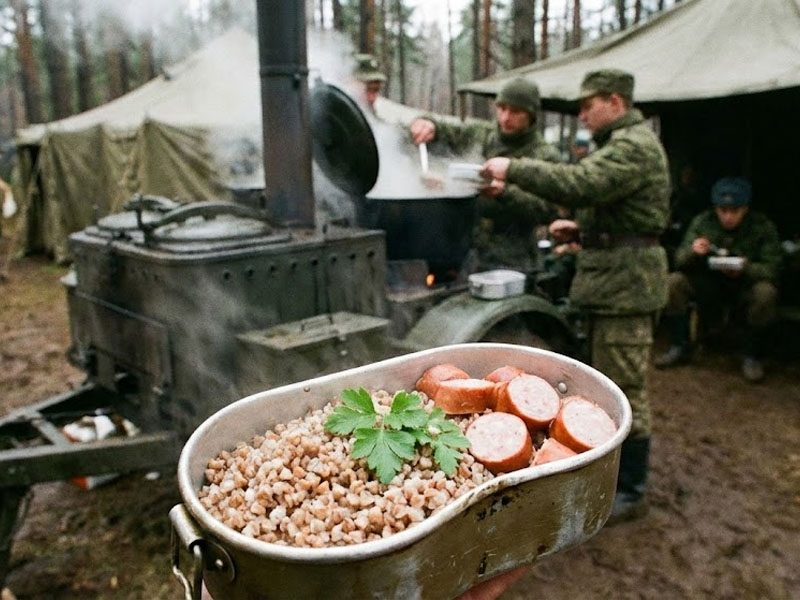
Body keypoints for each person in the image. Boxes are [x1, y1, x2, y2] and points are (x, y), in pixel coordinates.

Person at [481, 69, 671, 521]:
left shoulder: (634, 145)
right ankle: (605, 467)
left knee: (625, 385)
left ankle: (629, 490)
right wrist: (584, 229)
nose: (582, 114)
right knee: (603, 379)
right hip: (611, 281)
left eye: (588, 105)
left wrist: (514, 168)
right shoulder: (621, 145)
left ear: (616, 102)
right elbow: (619, 207)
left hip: (627, 286)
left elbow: (581, 183)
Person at [409, 77, 562, 271]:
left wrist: (504, 193)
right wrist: (429, 125)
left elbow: (549, 209)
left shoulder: (545, 156)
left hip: (513, 258)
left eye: (515, 111)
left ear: (531, 115)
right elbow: (447, 131)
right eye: (502, 108)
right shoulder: (481, 134)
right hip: (466, 252)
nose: (505, 117)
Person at [654, 176, 781, 382]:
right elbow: (679, 259)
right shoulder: (703, 222)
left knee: (765, 293)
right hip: (709, 285)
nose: (728, 216)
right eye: (723, 211)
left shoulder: (761, 227)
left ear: (745, 209)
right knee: (674, 283)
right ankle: (680, 345)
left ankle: (752, 355)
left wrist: (746, 267)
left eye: (734, 211)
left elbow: (773, 268)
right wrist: (694, 252)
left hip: (745, 287)